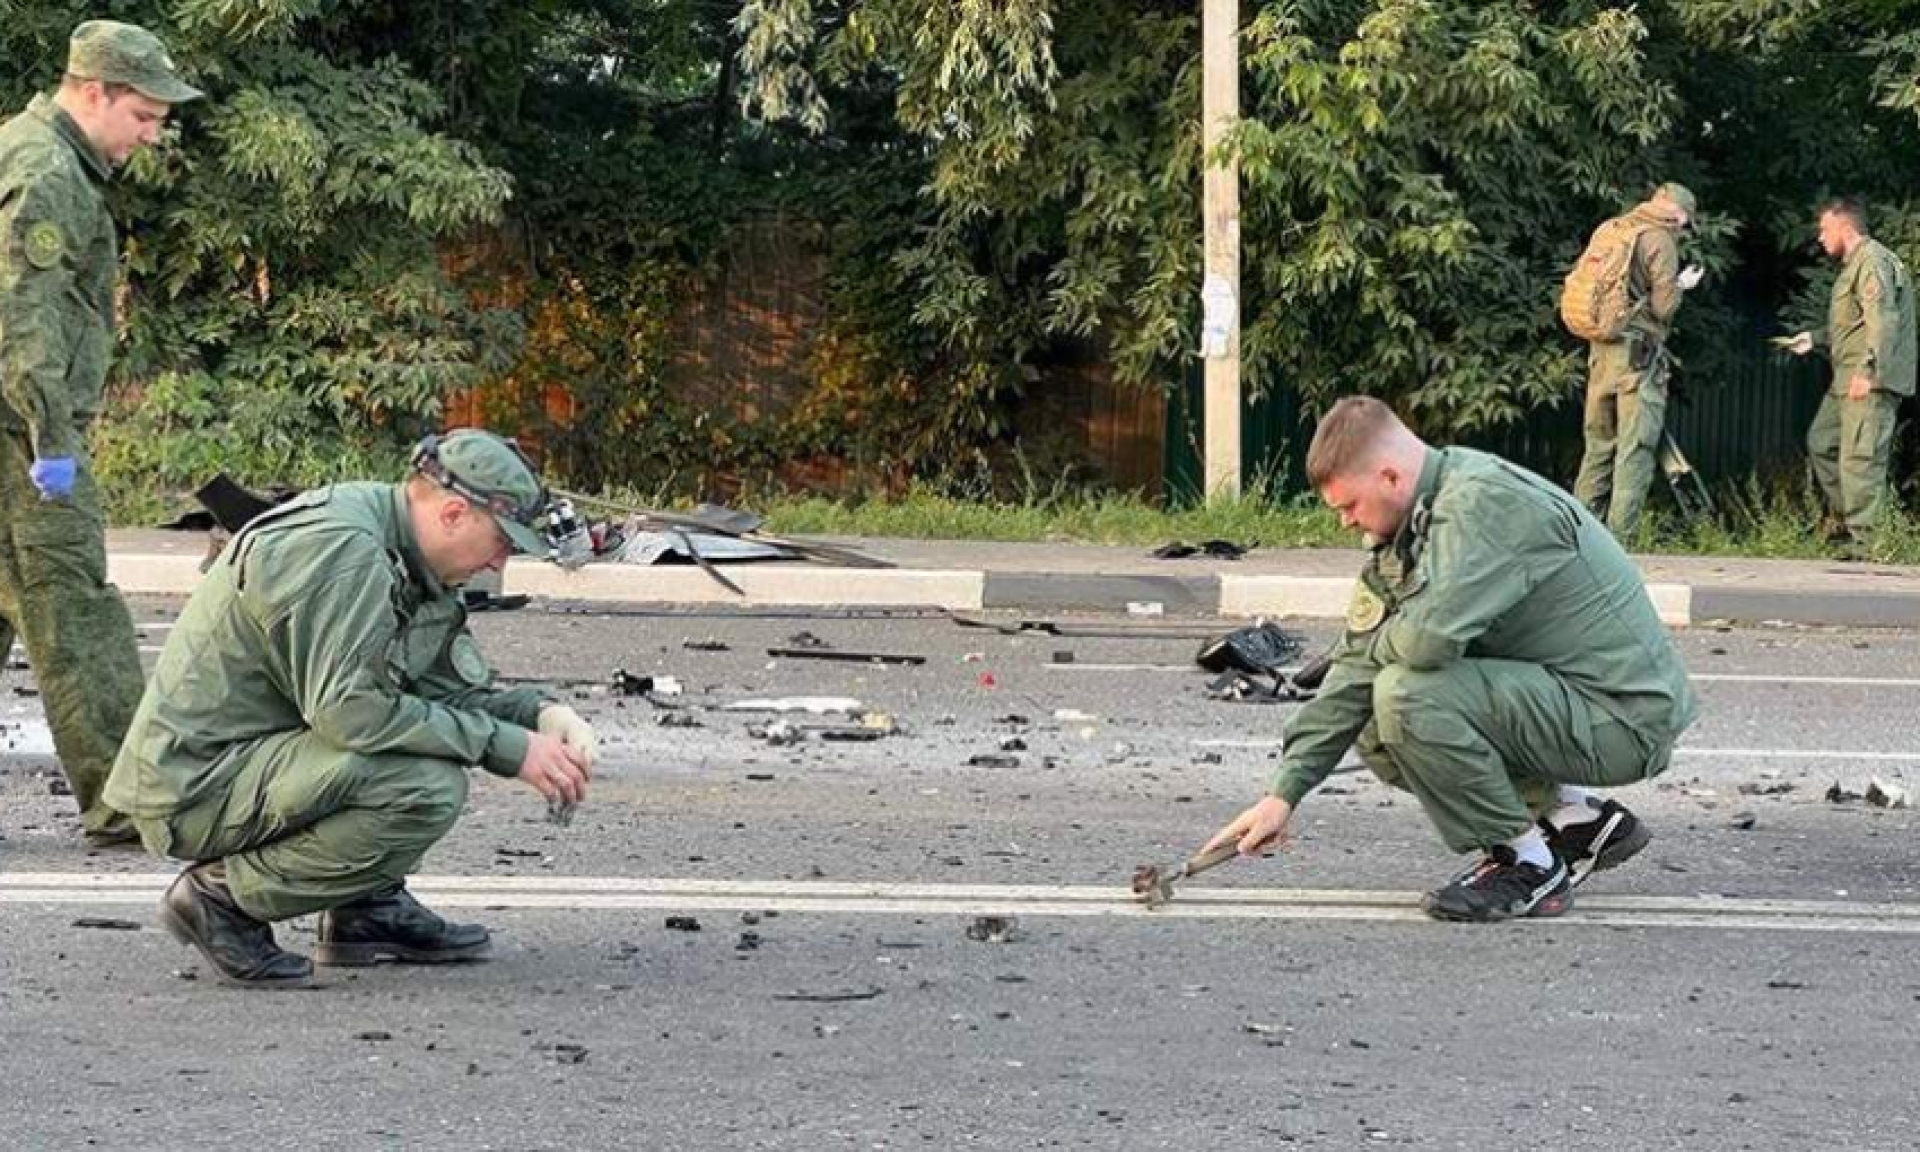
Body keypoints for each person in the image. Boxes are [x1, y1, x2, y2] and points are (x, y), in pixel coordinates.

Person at [103, 430, 597, 988]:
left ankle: (365, 910)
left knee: (418, 752)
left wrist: (540, 717)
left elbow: (440, 691)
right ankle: (221, 899)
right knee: (422, 786)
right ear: (455, 513)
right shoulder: (345, 551)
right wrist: (504, 748)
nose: (501, 561)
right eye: (503, 541)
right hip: (195, 785)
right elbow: (353, 715)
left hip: (260, 760)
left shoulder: (409, 554)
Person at [1204, 397, 1698, 922]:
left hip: (1622, 718)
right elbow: (1355, 666)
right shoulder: (1414, 523)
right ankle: (1573, 819)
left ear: (1390, 477)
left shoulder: (1483, 507)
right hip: (1567, 700)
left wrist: (1373, 647)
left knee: (1407, 694)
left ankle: (1526, 864)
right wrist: (1284, 794)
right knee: (1374, 711)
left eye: (1349, 507)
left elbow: (1423, 645)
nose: (1346, 523)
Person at [0, 21, 202, 846]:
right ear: (93, 92)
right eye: (143, 116)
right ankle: (129, 800)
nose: (150, 136)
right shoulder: (48, 173)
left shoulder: (24, 146)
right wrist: (51, 438)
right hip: (21, 428)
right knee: (73, 603)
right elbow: (24, 318)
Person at [1570, 183, 1705, 540]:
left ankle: (1580, 539)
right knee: (1636, 448)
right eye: (1685, 223)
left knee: (1598, 446)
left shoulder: (1611, 228)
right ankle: (1620, 542)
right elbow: (1663, 307)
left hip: (1600, 351)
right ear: (1678, 214)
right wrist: (1680, 285)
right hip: (1638, 358)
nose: (1682, 230)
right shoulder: (1659, 240)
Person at [1782, 198, 1917, 555]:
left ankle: (1867, 549)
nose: (1821, 238)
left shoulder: (1871, 262)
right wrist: (1815, 339)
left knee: (1860, 461)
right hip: (1844, 382)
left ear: (1846, 227)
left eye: (1825, 230)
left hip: (1865, 382)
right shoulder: (1856, 265)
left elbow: (1883, 321)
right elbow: (1855, 324)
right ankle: (1845, 526)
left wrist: (1870, 372)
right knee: (1822, 442)